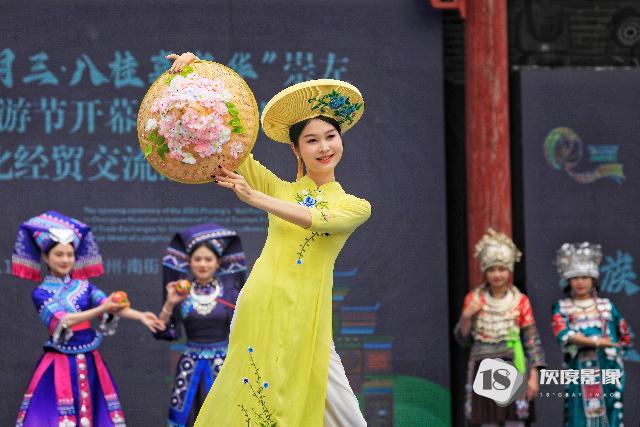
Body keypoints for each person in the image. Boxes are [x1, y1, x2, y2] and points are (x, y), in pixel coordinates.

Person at [166, 52, 371, 426]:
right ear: (296, 149)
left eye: (330, 137)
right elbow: (231, 146)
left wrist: (255, 198)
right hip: (262, 303)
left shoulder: (354, 206)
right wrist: (197, 78)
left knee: (346, 416)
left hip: (309, 317)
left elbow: (316, 220)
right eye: (312, 140)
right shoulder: (280, 189)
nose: (324, 147)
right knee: (254, 397)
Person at [11, 210, 165, 427]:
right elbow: (65, 321)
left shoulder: (84, 286)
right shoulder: (41, 293)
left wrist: (140, 316)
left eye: (70, 255)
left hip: (90, 360)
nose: (65, 260)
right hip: (59, 362)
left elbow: (109, 305)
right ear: (45, 257)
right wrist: (102, 308)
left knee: (93, 412)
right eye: (59, 254)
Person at [154, 223, 246, 427]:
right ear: (189, 262)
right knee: (186, 417)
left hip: (223, 365)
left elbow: (245, 328)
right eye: (197, 259)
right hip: (189, 365)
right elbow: (164, 331)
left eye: (208, 259)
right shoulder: (182, 293)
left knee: (224, 416)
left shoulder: (230, 293)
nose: (203, 264)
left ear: (218, 262)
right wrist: (170, 303)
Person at [454, 229, 545, 427]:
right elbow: (463, 339)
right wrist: (466, 316)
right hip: (483, 365)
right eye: (492, 269)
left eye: (502, 269)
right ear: (485, 271)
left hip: (513, 363)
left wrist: (534, 376)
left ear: (509, 270)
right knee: (488, 421)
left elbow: (532, 341)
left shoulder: (520, 301)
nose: (497, 274)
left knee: (514, 421)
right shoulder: (474, 299)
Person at [551, 242, 634, 427]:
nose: (580, 282)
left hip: (606, 367)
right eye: (575, 277)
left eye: (584, 277)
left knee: (610, 413)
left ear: (593, 279)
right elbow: (564, 334)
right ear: (568, 280)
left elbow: (625, 336)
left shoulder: (606, 306)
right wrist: (597, 342)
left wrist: (614, 348)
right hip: (578, 369)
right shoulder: (562, 308)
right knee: (578, 414)